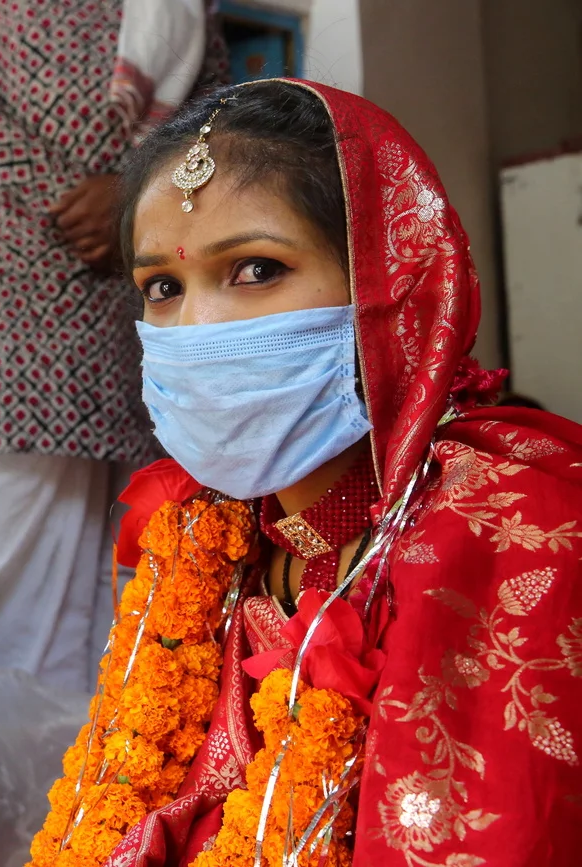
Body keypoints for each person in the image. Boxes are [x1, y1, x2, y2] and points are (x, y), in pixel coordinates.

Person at [32, 79, 582, 865]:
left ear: (387, 286)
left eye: (255, 269)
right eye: (162, 286)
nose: (198, 329)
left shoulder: (511, 537)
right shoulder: (201, 540)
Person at [0, 0, 228, 694]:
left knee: (142, 543)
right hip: (23, 284)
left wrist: (133, 199)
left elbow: (214, 116)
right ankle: (37, 778)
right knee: (20, 552)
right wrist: (73, 196)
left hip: (146, 279)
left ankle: (122, 772)